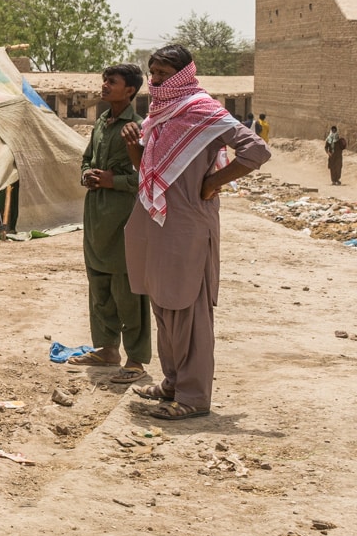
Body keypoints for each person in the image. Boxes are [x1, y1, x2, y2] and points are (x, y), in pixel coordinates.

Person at [123, 45, 270, 421]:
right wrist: (132, 149)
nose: (156, 80)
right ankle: (173, 381)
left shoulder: (202, 110)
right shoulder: (159, 113)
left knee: (188, 307)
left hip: (187, 221)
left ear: (183, 75)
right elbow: (151, 172)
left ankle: (194, 396)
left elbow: (255, 150)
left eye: (164, 73)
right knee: (163, 303)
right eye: (153, 72)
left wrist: (214, 182)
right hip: (158, 219)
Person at [78, 64, 152, 385]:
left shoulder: (139, 128)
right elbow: (86, 159)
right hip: (96, 217)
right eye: (104, 80)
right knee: (99, 285)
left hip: (124, 218)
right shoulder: (101, 124)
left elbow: (147, 178)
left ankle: (136, 358)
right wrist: (87, 175)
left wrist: (113, 180)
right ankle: (107, 349)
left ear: (131, 91)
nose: (105, 85)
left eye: (113, 82)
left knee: (128, 290)